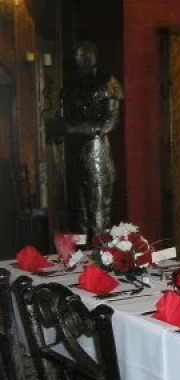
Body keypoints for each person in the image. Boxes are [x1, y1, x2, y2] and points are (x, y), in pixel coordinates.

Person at [61, 41, 124, 237]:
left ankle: (99, 254)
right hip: (75, 154)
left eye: (80, 57)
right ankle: (81, 255)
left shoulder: (108, 83)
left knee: (98, 213)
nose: (77, 61)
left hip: (97, 153)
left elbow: (109, 123)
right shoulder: (72, 86)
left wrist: (74, 128)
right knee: (78, 214)